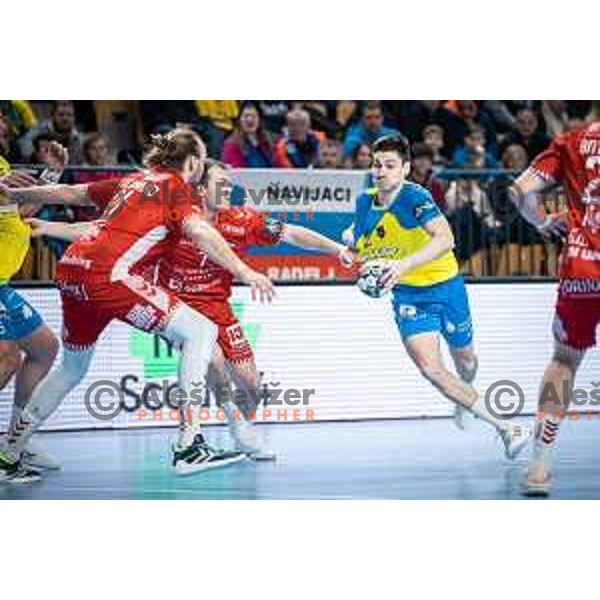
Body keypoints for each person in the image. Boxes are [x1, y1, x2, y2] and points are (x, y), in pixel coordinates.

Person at [28, 159, 354, 460]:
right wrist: (50, 227)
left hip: (219, 308)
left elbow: (292, 233)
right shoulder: (176, 213)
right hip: (177, 306)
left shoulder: (242, 220)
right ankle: (232, 428)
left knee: (251, 384)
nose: (228, 189)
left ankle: (240, 419)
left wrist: (337, 249)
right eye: (221, 183)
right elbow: (102, 231)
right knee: (211, 357)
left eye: (230, 184)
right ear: (201, 188)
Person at [0, 128, 275, 480]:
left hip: (71, 270)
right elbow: (202, 233)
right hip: (107, 276)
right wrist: (243, 269)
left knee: (72, 367)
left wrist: (15, 192)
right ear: (191, 162)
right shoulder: (176, 188)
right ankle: (190, 445)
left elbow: (70, 194)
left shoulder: (133, 182)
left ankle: (9, 452)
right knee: (202, 331)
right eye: (201, 161)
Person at [345, 134, 531, 457]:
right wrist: (350, 250)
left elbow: (445, 239)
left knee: (467, 362)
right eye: (376, 165)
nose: (381, 171)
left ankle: (466, 396)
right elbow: (358, 236)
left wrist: (403, 265)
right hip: (408, 298)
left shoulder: (414, 197)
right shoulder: (365, 202)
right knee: (432, 370)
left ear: (404, 169)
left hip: (446, 287)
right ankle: (508, 427)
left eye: (390, 165)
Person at [508, 121, 600, 496]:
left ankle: (539, 469)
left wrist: (544, 221)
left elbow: (519, 192)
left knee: (563, 362)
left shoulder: (572, 141)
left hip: (582, 267)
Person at [0, 142, 69, 482]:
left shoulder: (1, 164)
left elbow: (20, 211)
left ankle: (16, 439)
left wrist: (51, 176)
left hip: (2, 283)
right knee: (6, 358)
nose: (2, 124)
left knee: (44, 348)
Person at [221, 103, 274, 168]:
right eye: (246, 116)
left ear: (260, 120)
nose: (250, 120)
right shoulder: (231, 145)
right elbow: (235, 172)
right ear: (239, 121)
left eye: (254, 116)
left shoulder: (268, 140)